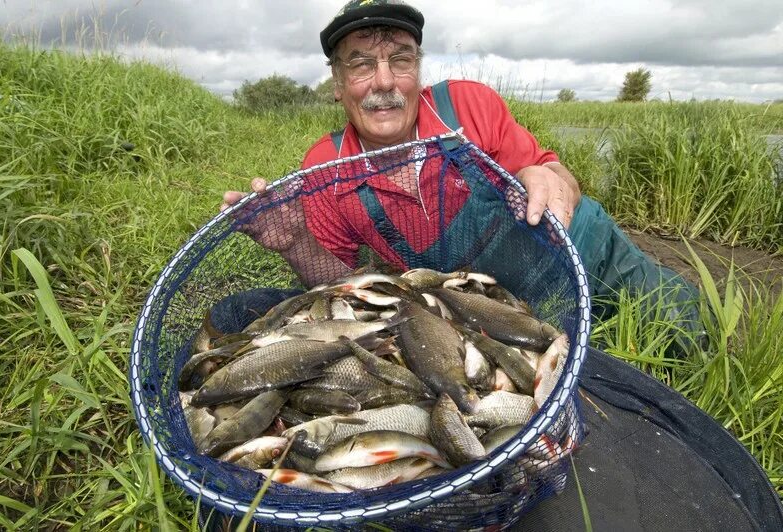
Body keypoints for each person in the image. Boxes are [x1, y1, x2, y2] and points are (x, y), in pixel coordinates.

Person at [218, 0, 700, 332]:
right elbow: (341, 285)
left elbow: (560, 177)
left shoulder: (469, 105)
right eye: (361, 64)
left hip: (586, 251)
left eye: (400, 60)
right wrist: (295, 243)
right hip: (498, 309)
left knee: (693, 330)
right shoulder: (325, 168)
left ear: (418, 70)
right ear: (338, 83)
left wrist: (546, 177)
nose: (384, 81)